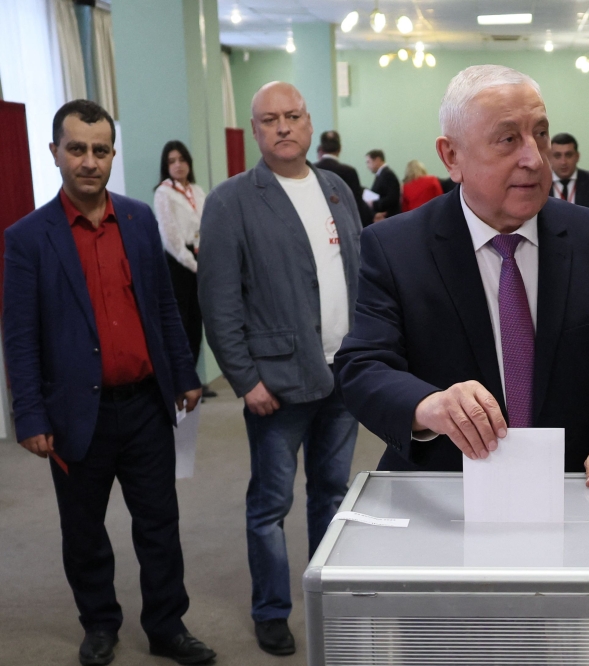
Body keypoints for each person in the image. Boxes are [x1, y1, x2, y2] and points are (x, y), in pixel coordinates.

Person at [334, 65, 589, 497]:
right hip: (444, 495)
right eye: (508, 139)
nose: (534, 157)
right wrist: (429, 405)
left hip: (575, 492)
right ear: (452, 156)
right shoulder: (396, 247)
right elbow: (364, 366)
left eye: (540, 134)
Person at [2, 100, 215, 665]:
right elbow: (19, 336)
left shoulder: (139, 219)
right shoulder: (28, 238)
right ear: (55, 153)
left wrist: (184, 372)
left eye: (100, 150)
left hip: (145, 404)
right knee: (84, 532)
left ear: (112, 155)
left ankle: (167, 626)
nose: (88, 161)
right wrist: (30, 415)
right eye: (76, 149)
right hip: (75, 414)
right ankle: (99, 624)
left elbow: (164, 305)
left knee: (159, 525)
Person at [198, 82, 362, 657]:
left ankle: (327, 596)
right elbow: (219, 301)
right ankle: (271, 610)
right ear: (255, 129)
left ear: (310, 122)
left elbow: (358, 277)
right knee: (270, 506)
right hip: (276, 383)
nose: (284, 127)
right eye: (270, 119)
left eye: (293, 116)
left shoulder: (337, 188)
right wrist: (245, 379)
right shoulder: (231, 200)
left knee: (333, 496)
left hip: (343, 376)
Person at [153, 140, 217, 399]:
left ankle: (193, 380)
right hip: (178, 263)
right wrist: (194, 265)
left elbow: (207, 225)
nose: (178, 165)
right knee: (180, 322)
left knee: (196, 321)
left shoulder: (198, 191)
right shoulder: (164, 192)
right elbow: (170, 238)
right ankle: (179, 382)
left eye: (182, 159)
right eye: (172, 161)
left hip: (200, 258)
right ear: (166, 166)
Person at [314, 130, 374, 227]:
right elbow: (357, 205)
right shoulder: (349, 172)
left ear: (321, 149)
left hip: (319, 224)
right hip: (346, 225)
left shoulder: (313, 170)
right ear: (340, 149)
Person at [365, 149, 401, 220]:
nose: (367, 166)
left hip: (388, 217)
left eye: (369, 162)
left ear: (377, 160)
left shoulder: (387, 174)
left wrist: (373, 204)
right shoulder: (382, 174)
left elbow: (392, 198)